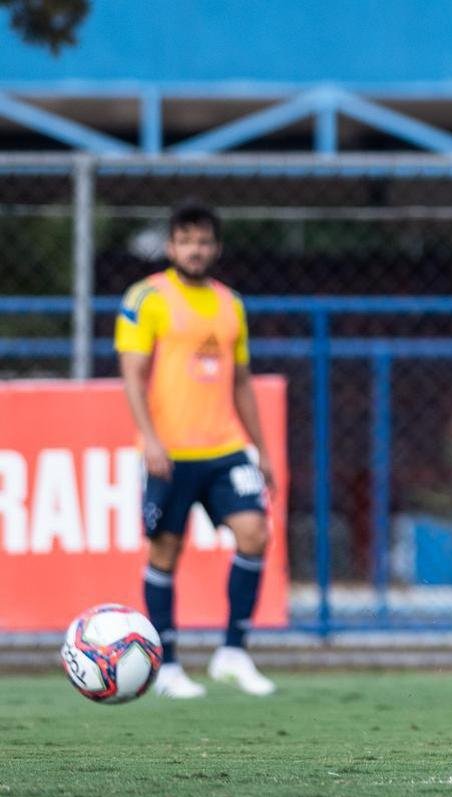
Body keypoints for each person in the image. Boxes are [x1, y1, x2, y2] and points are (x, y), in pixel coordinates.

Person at [116, 203, 278, 698]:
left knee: (254, 533)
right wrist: (150, 438)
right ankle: (166, 666)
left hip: (225, 447)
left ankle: (234, 653)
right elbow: (132, 374)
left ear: (216, 248)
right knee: (166, 551)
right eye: (186, 241)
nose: (195, 249)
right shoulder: (147, 297)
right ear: (171, 247)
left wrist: (262, 449)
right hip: (171, 452)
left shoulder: (231, 304)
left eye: (204, 241)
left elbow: (242, 382)